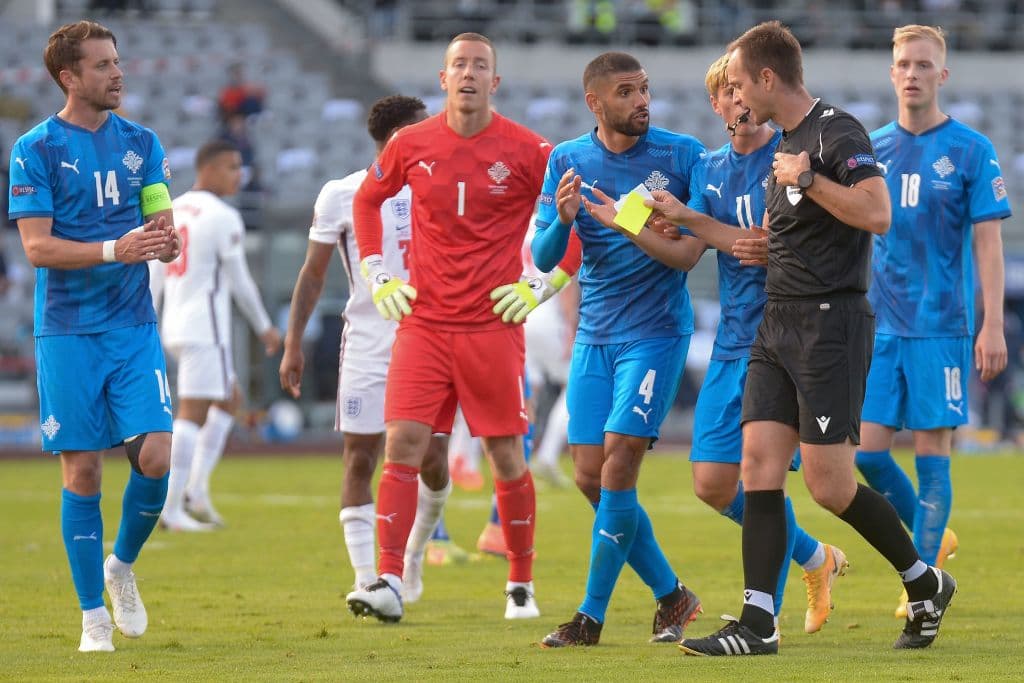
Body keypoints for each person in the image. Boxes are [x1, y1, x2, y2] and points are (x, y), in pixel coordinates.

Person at [650, 21, 955, 655]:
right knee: (758, 468)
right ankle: (757, 623)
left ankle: (924, 581)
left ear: (767, 78)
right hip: (777, 323)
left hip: (828, 326)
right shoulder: (786, 144)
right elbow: (783, 235)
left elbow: (878, 214)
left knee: (829, 486)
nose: (736, 96)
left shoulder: (836, 132)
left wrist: (810, 179)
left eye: (740, 83)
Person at [586, 53, 848, 636]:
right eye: (726, 93)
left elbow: (765, 246)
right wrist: (626, 223)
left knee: (776, 478)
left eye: (742, 90)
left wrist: (707, 227)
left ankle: (762, 616)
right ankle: (816, 557)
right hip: (733, 342)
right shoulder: (708, 168)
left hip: (787, 337)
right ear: (716, 104)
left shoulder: (789, 160)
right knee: (711, 483)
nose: (737, 102)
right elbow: (687, 252)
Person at [346, 32, 568, 623]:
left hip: (492, 327)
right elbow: (367, 202)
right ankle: (389, 579)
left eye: (480, 66)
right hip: (423, 324)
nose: (469, 73)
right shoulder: (410, 143)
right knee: (403, 444)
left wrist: (543, 285)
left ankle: (520, 585)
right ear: (443, 79)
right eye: (459, 65)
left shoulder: (530, 150)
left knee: (505, 455)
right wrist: (376, 272)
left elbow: (577, 219)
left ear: (495, 82)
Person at [8, 20, 180, 653]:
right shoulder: (35, 148)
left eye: (117, 61)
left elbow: (159, 216)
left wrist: (165, 239)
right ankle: (92, 618)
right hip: (67, 331)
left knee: (156, 456)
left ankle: (121, 566)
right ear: (69, 77)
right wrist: (116, 248)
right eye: (103, 65)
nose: (118, 73)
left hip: (132, 324)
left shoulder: (142, 142)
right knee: (83, 471)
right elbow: (37, 248)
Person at [532, 51, 705, 647]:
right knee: (589, 476)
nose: (641, 101)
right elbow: (545, 258)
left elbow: (695, 242)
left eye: (644, 89)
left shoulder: (681, 155)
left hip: (656, 332)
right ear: (595, 102)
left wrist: (672, 225)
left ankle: (589, 617)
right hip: (596, 336)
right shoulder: (567, 159)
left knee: (621, 460)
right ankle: (672, 595)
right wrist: (563, 220)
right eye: (626, 92)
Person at [278, 94, 464, 603]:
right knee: (359, 458)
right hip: (367, 342)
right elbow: (313, 274)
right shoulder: (342, 193)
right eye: (424, 127)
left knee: (433, 459)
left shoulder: (443, 185)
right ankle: (367, 578)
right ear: (400, 136)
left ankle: (414, 553)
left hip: (432, 341)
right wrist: (293, 342)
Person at [856, 24, 1012, 617]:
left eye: (924, 64)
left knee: (932, 453)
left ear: (942, 75)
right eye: (904, 64)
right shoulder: (870, 149)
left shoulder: (971, 149)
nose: (913, 74)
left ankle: (921, 588)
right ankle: (932, 543)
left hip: (942, 326)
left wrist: (991, 325)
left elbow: (988, 245)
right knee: (867, 455)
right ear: (891, 73)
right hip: (881, 326)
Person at [149, 139, 281, 531]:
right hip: (204, 326)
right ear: (207, 169)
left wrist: (150, 319)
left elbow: (155, 274)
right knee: (193, 410)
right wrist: (265, 327)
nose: (239, 175)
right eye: (232, 167)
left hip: (175, 322)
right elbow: (240, 281)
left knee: (229, 398)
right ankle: (171, 507)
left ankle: (197, 491)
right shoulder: (222, 215)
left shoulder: (173, 210)